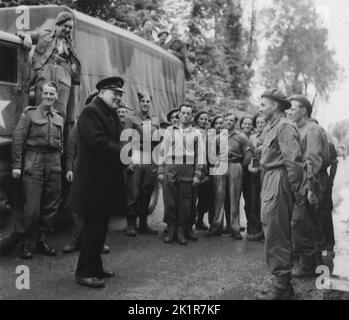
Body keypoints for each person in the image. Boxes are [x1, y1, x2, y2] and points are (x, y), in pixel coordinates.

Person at [73, 76, 126, 288]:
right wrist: (124, 152)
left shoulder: (108, 114)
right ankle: (83, 272)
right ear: (102, 92)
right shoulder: (91, 112)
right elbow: (98, 143)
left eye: (121, 95)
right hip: (93, 184)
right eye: (115, 94)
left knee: (100, 228)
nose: (119, 98)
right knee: (93, 229)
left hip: (104, 183)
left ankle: (95, 268)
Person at [256, 89, 303, 300]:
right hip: (270, 177)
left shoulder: (284, 127)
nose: (260, 108)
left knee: (277, 233)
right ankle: (283, 286)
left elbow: (293, 162)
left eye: (263, 104)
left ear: (275, 106)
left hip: (279, 180)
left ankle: (281, 286)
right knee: (272, 229)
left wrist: (295, 191)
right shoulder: (271, 126)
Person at [12, 81, 64, 259]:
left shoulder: (59, 118)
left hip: (54, 162)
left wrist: (59, 164)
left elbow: (61, 144)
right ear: (41, 94)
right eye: (46, 93)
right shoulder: (30, 114)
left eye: (52, 94)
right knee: (32, 207)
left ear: (57, 96)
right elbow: (18, 140)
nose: (49, 97)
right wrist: (17, 165)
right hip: (34, 159)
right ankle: (25, 243)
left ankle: (42, 240)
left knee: (50, 204)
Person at [287, 95, 329, 278]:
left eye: (292, 108)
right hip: (303, 181)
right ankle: (313, 260)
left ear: (303, 110)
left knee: (301, 222)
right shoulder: (300, 128)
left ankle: (307, 265)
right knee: (309, 222)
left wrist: (309, 187)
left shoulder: (311, 130)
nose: (289, 112)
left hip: (309, 182)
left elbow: (312, 161)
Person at [17, 11, 81, 122]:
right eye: (65, 26)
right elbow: (20, 34)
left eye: (70, 28)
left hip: (63, 77)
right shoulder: (44, 34)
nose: (68, 30)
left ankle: (58, 136)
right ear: (58, 24)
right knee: (41, 106)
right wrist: (26, 36)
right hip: (45, 73)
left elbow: (75, 66)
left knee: (60, 112)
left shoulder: (70, 44)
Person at [159, 104, 204, 245]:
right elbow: (162, 151)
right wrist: (161, 170)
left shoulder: (196, 133)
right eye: (183, 113)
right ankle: (171, 228)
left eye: (188, 113)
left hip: (187, 168)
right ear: (179, 114)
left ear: (191, 116)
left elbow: (200, 155)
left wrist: (197, 174)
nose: (185, 115)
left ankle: (181, 230)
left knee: (185, 201)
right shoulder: (169, 131)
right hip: (171, 167)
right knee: (170, 200)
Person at [62, 122, 110, 255]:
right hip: (81, 168)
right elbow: (71, 148)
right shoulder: (80, 124)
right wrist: (69, 169)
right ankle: (76, 239)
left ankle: (96, 242)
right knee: (78, 206)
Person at [207, 113, 251, 239]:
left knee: (234, 198)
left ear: (235, 122)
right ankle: (217, 226)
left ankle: (235, 228)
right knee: (219, 197)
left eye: (231, 120)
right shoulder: (218, 137)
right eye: (226, 120)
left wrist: (240, 166)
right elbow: (212, 154)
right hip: (221, 166)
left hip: (235, 166)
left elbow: (248, 154)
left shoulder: (241, 137)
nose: (228, 122)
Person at [123, 93, 160, 237]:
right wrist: (127, 161)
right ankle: (131, 224)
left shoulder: (155, 121)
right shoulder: (131, 119)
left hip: (150, 157)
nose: (145, 103)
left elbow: (158, 143)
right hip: (136, 155)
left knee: (147, 191)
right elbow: (125, 140)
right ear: (139, 103)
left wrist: (157, 162)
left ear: (151, 103)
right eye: (143, 101)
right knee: (133, 192)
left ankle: (144, 224)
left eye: (148, 101)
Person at [245, 114, 266, 241]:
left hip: (267, 171)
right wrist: (250, 166)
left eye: (262, 122)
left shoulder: (270, 136)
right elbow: (251, 155)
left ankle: (265, 229)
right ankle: (254, 228)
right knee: (253, 201)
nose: (259, 124)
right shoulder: (252, 137)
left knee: (264, 201)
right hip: (254, 171)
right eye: (257, 122)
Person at [319, 141, 338, 257]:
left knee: (325, 213)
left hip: (322, 180)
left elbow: (334, 163)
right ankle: (316, 244)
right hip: (308, 179)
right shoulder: (307, 143)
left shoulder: (328, 145)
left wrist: (330, 180)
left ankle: (329, 245)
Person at [239, 116, 256, 238]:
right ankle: (232, 224)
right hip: (238, 170)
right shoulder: (237, 136)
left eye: (250, 124)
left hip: (251, 173)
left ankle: (251, 224)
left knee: (250, 200)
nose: (247, 126)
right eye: (245, 123)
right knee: (233, 199)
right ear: (241, 125)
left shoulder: (255, 137)